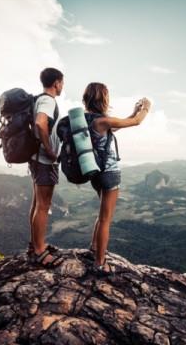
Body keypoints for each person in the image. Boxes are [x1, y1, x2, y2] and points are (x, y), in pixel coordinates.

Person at [81, 82, 151, 275]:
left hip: (94, 172)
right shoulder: (103, 120)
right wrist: (145, 108)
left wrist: (133, 111)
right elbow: (136, 122)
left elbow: (119, 126)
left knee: (102, 214)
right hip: (109, 173)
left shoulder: (86, 120)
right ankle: (100, 263)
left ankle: (94, 248)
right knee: (106, 219)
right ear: (103, 98)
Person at [27, 67, 64, 267]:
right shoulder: (48, 101)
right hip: (44, 160)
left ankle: (35, 245)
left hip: (35, 158)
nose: (62, 86)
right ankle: (40, 252)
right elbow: (41, 123)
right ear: (56, 82)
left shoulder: (39, 99)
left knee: (37, 204)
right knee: (43, 206)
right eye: (62, 82)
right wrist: (49, 150)